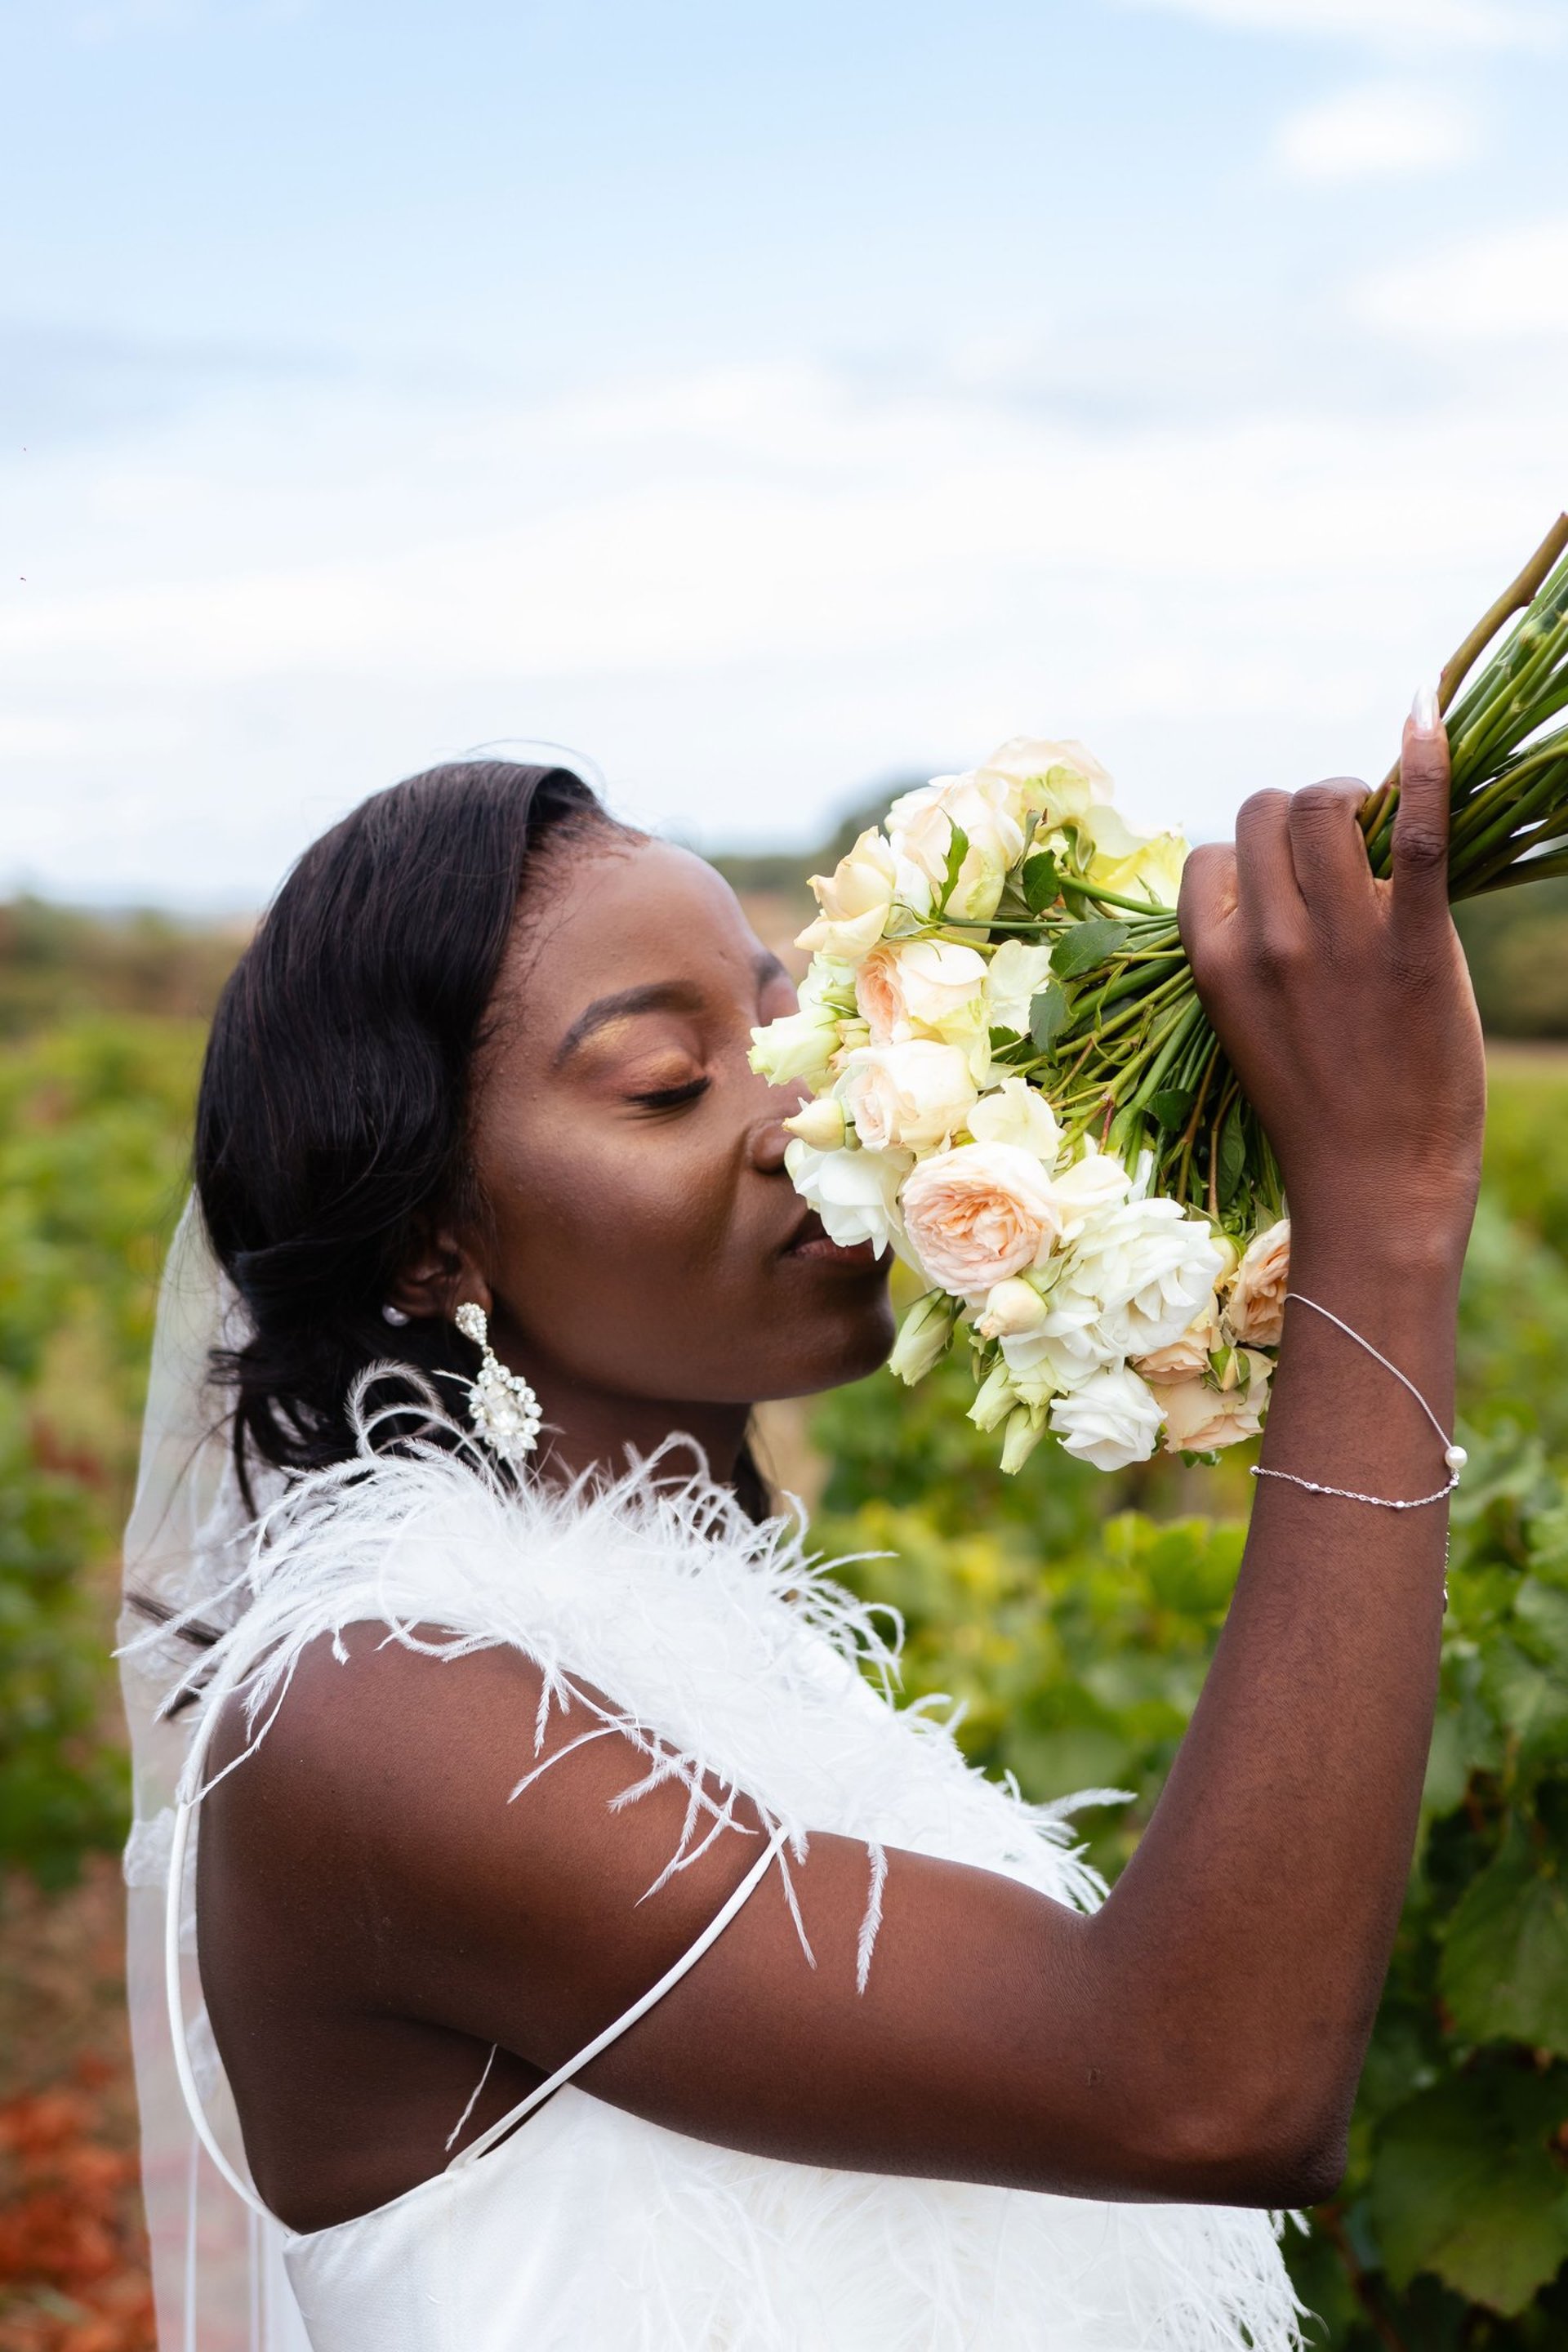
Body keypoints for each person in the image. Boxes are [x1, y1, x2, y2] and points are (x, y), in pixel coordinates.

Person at [120, 706, 1483, 2352]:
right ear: (431, 1248)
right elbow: (1201, 2089)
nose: (798, 1113)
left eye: (789, 1019)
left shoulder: (716, 1656)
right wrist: (1382, 1217)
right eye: (670, 1085)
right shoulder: (376, 1712)